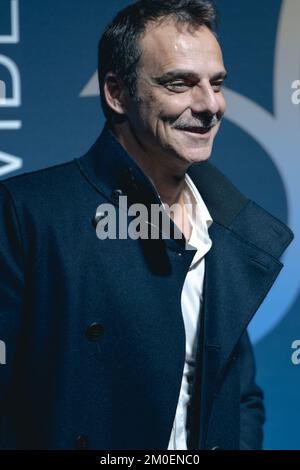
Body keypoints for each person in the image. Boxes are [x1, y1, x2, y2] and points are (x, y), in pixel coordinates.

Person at [0, 0, 294, 450]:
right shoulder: (28, 214)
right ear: (116, 93)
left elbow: (237, 395)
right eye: (180, 83)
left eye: (216, 84)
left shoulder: (224, 225)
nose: (209, 105)